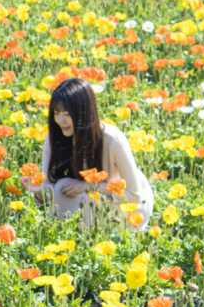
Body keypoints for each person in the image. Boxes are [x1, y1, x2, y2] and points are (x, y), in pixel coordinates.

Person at [32, 77, 154, 230]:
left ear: (84, 112)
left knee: (84, 201)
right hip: (83, 204)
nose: (60, 120)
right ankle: (71, 239)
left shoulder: (112, 140)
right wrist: (39, 191)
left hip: (125, 207)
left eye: (67, 114)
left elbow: (134, 196)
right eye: (56, 113)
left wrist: (88, 186)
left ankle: (86, 239)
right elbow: (49, 192)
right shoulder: (54, 138)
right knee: (61, 187)